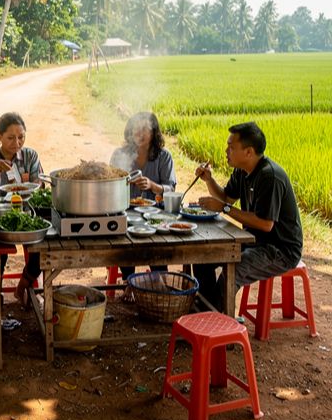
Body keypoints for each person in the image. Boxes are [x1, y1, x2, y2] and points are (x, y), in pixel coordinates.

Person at [191, 122, 303, 312]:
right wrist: (209, 180)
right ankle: (206, 309)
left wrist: (224, 209)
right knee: (204, 256)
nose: (226, 150)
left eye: (231, 147)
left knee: (233, 271)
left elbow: (266, 224)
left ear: (249, 152)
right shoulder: (243, 171)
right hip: (253, 241)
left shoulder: (270, 176)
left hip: (279, 249)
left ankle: (218, 322)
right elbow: (226, 197)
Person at [0, 112, 45, 306]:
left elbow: (40, 185)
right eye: (10, 138)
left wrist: (34, 186)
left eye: (21, 137)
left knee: (42, 246)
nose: (17, 143)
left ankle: (24, 284)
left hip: (26, 213)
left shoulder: (30, 155)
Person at [111, 112, 177, 281]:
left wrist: (152, 185)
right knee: (123, 241)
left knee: (157, 245)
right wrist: (123, 182)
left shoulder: (164, 156)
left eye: (144, 129)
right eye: (135, 129)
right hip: (125, 211)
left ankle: (158, 282)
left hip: (155, 213)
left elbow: (171, 189)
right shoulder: (120, 155)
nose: (139, 133)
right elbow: (109, 183)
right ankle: (129, 281)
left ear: (154, 132)